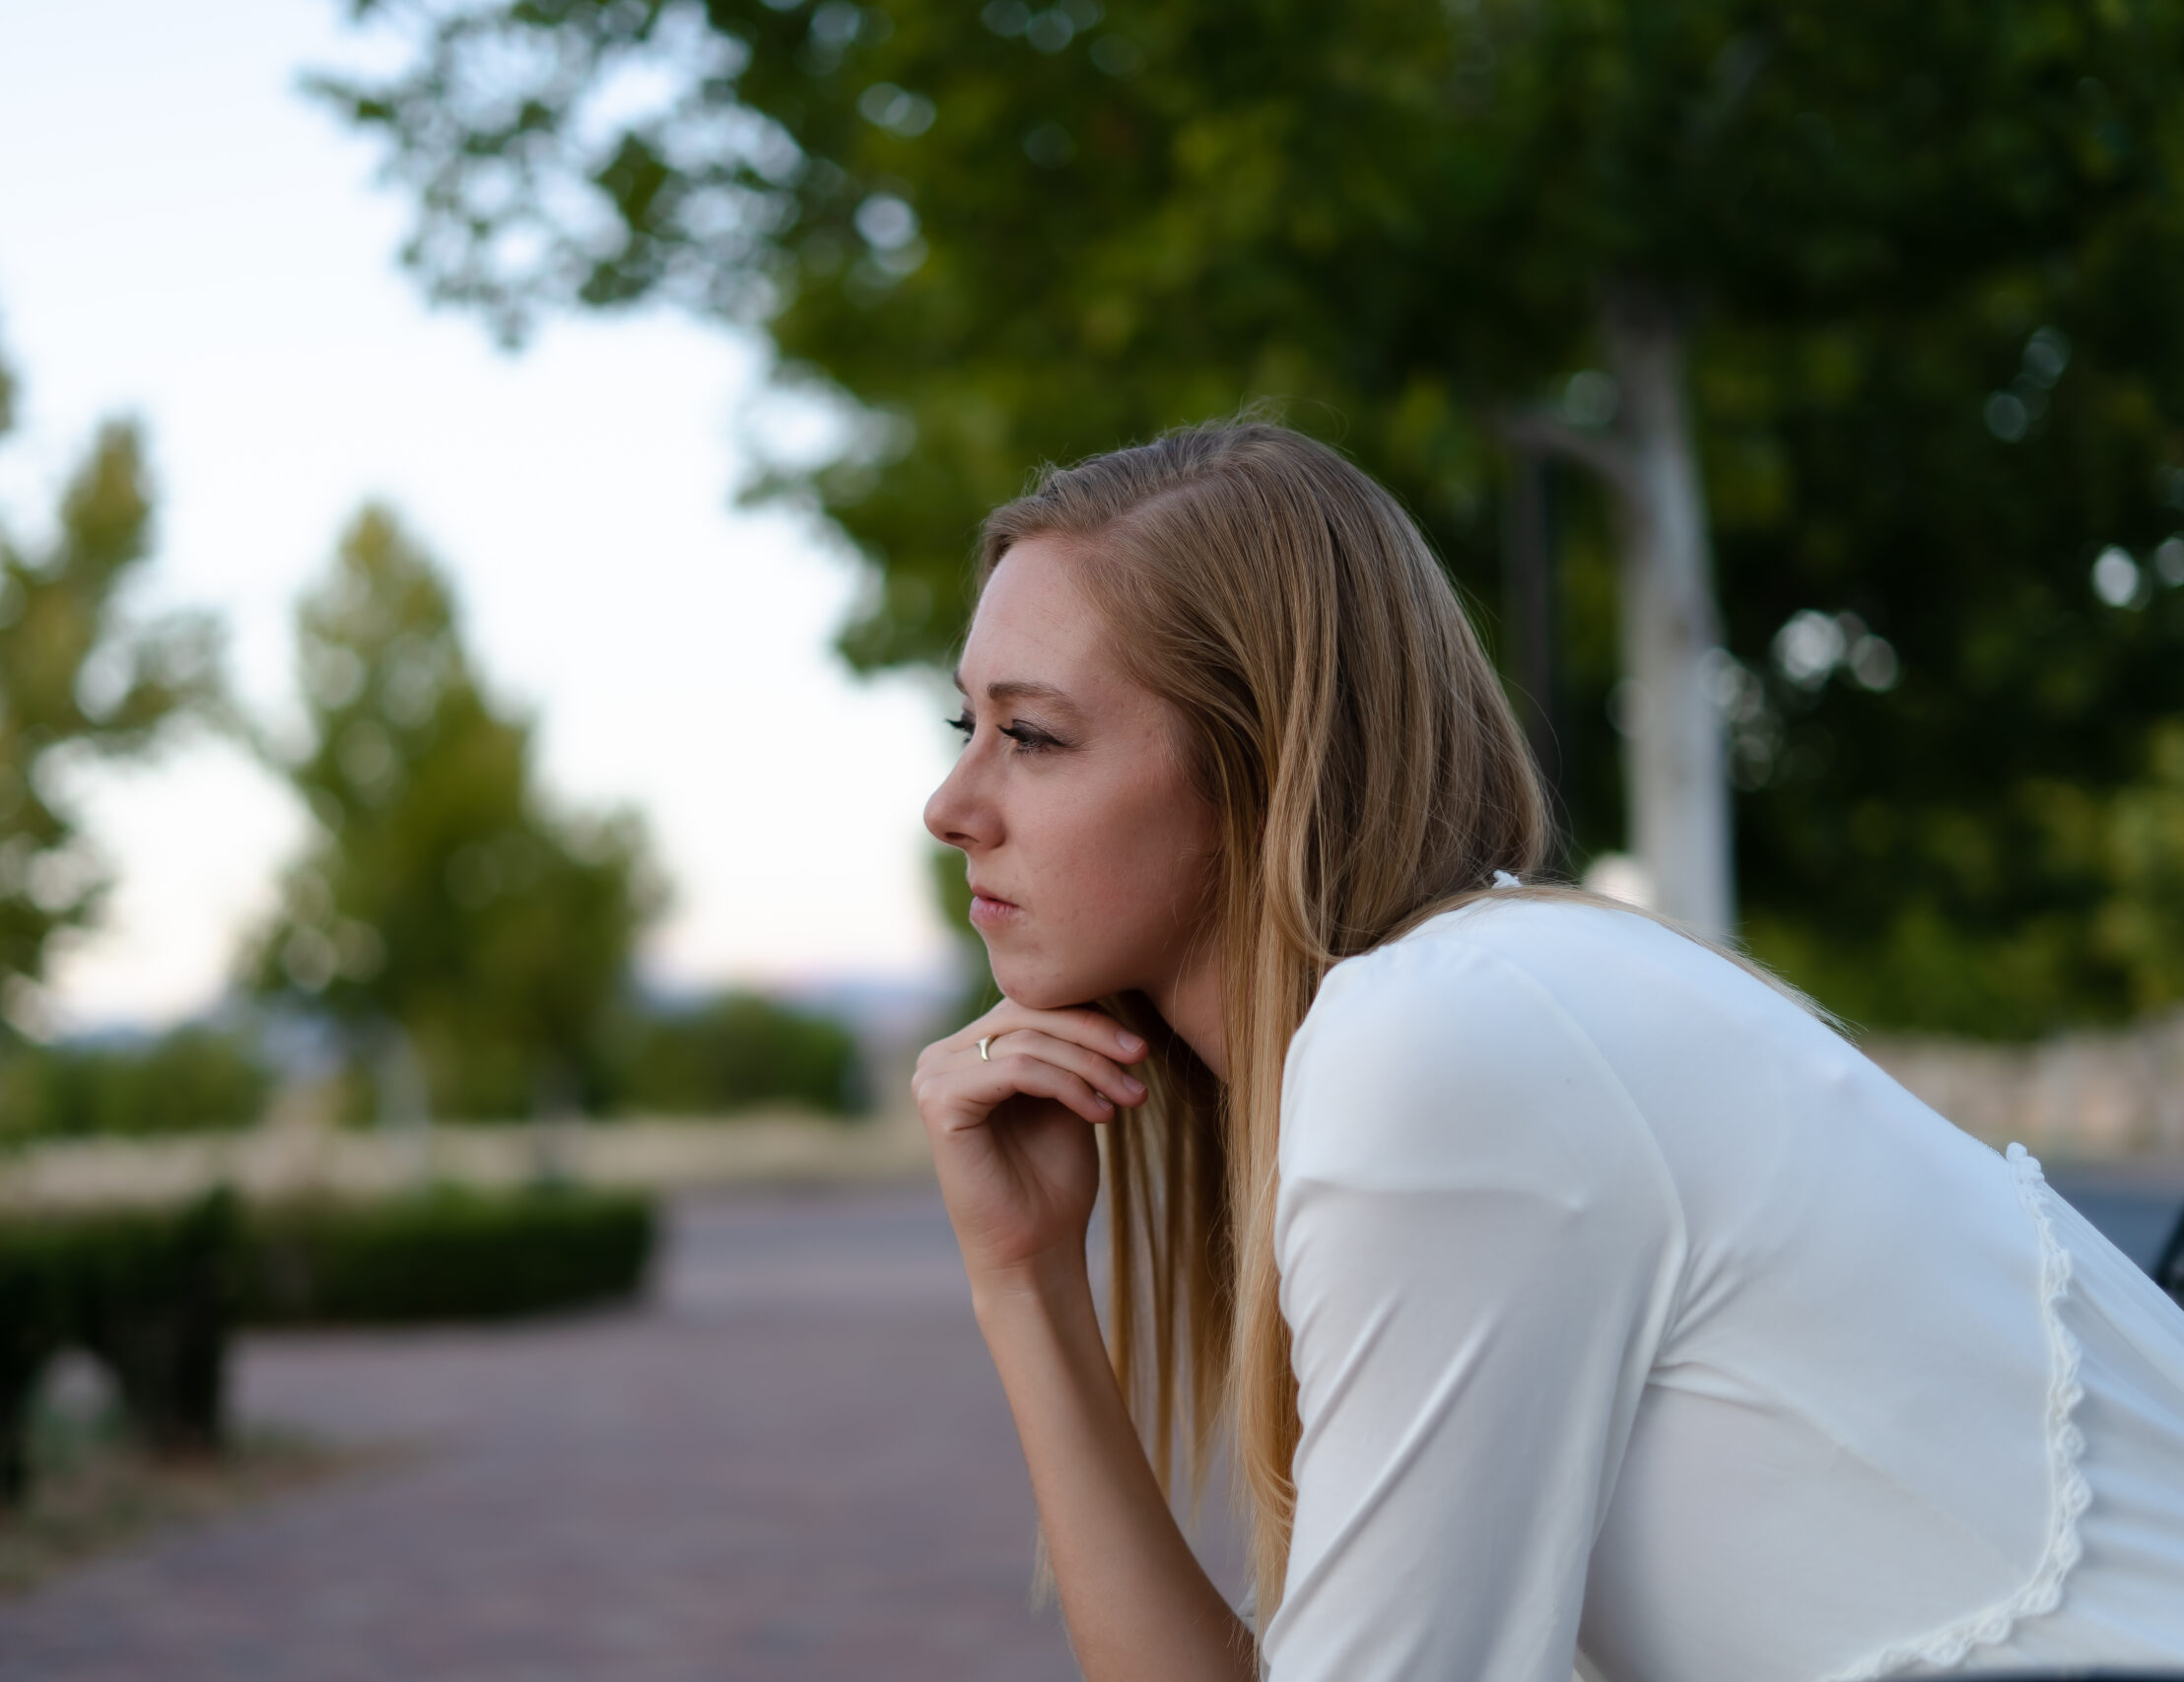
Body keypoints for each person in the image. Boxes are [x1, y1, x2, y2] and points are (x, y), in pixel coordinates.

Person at [913, 420, 2184, 1682]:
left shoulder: (1446, 1038)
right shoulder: (1486, 1002)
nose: (950, 807)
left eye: (1033, 737)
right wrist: (1025, 1279)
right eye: (966, 725)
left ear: (1265, 763)